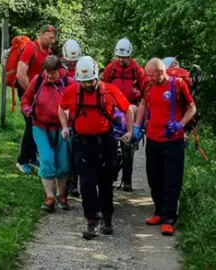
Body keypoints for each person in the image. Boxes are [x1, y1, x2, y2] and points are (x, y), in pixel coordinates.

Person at [59, 56, 134, 240]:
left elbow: (128, 109)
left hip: (105, 142)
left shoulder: (109, 90)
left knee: (105, 183)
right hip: (82, 143)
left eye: (89, 81)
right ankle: (92, 220)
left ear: (96, 77)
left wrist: (130, 131)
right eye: (82, 82)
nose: (86, 85)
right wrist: (65, 127)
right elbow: (61, 108)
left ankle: (107, 217)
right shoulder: (72, 91)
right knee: (87, 183)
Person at [133, 58, 197, 236]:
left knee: (172, 180)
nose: (148, 78)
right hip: (153, 139)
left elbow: (192, 108)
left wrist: (180, 124)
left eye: (151, 75)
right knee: (154, 178)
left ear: (161, 72)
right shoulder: (148, 86)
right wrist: (137, 127)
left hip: (173, 141)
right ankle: (159, 212)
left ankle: (169, 219)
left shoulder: (177, 85)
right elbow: (144, 105)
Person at [21, 55, 75, 212]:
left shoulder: (69, 83)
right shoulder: (38, 81)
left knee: (63, 163)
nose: (50, 75)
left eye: (53, 72)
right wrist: (26, 109)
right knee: (46, 160)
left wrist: (72, 113)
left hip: (63, 128)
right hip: (41, 127)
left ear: (60, 70)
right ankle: (50, 196)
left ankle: (62, 195)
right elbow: (26, 99)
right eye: (47, 71)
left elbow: (77, 103)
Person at [101, 38, 147, 191]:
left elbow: (146, 92)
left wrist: (140, 122)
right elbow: (103, 89)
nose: (121, 60)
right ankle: (111, 173)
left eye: (124, 57)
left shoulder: (137, 70)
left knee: (128, 145)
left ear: (129, 56)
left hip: (131, 108)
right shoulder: (110, 69)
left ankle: (127, 178)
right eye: (119, 57)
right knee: (111, 143)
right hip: (113, 109)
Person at [15, 25, 56, 174]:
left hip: (40, 95)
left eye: (54, 38)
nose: (53, 41)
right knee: (31, 124)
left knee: (38, 124)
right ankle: (22, 160)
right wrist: (31, 94)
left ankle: (32, 157)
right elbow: (20, 74)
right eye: (50, 37)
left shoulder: (49, 52)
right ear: (41, 34)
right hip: (27, 92)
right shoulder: (31, 48)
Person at [61, 39, 82, 198]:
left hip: (79, 115)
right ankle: (68, 182)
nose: (72, 64)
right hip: (64, 113)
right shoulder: (59, 69)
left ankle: (74, 183)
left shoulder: (84, 67)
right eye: (70, 61)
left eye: (74, 61)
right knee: (66, 151)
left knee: (76, 151)